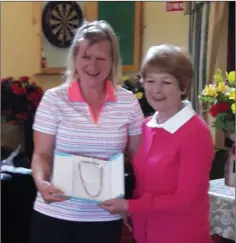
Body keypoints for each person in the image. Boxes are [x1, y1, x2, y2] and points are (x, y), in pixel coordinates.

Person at [30, 20, 144, 243]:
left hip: (104, 216)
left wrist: (137, 204)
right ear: (75, 58)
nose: (93, 65)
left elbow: (138, 158)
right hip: (55, 213)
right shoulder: (54, 99)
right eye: (86, 56)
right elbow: (41, 154)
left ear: (112, 62)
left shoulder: (128, 102)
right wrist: (41, 182)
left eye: (101, 58)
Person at [100, 44, 215, 243]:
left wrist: (129, 206)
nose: (156, 90)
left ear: (184, 86)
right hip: (143, 234)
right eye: (150, 81)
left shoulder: (196, 132)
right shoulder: (145, 126)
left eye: (166, 82)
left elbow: (186, 199)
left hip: (181, 235)